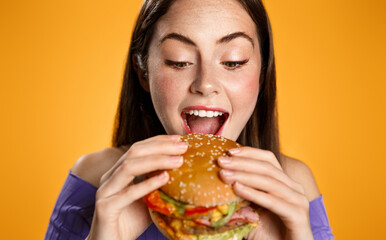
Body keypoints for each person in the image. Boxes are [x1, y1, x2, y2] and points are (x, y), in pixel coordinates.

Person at [45, 0, 334, 239]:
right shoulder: (96, 179)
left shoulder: (292, 188)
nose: (206, 84)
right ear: (143, 72)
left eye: (233, 61)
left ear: (262, 73)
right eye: (178, 60)